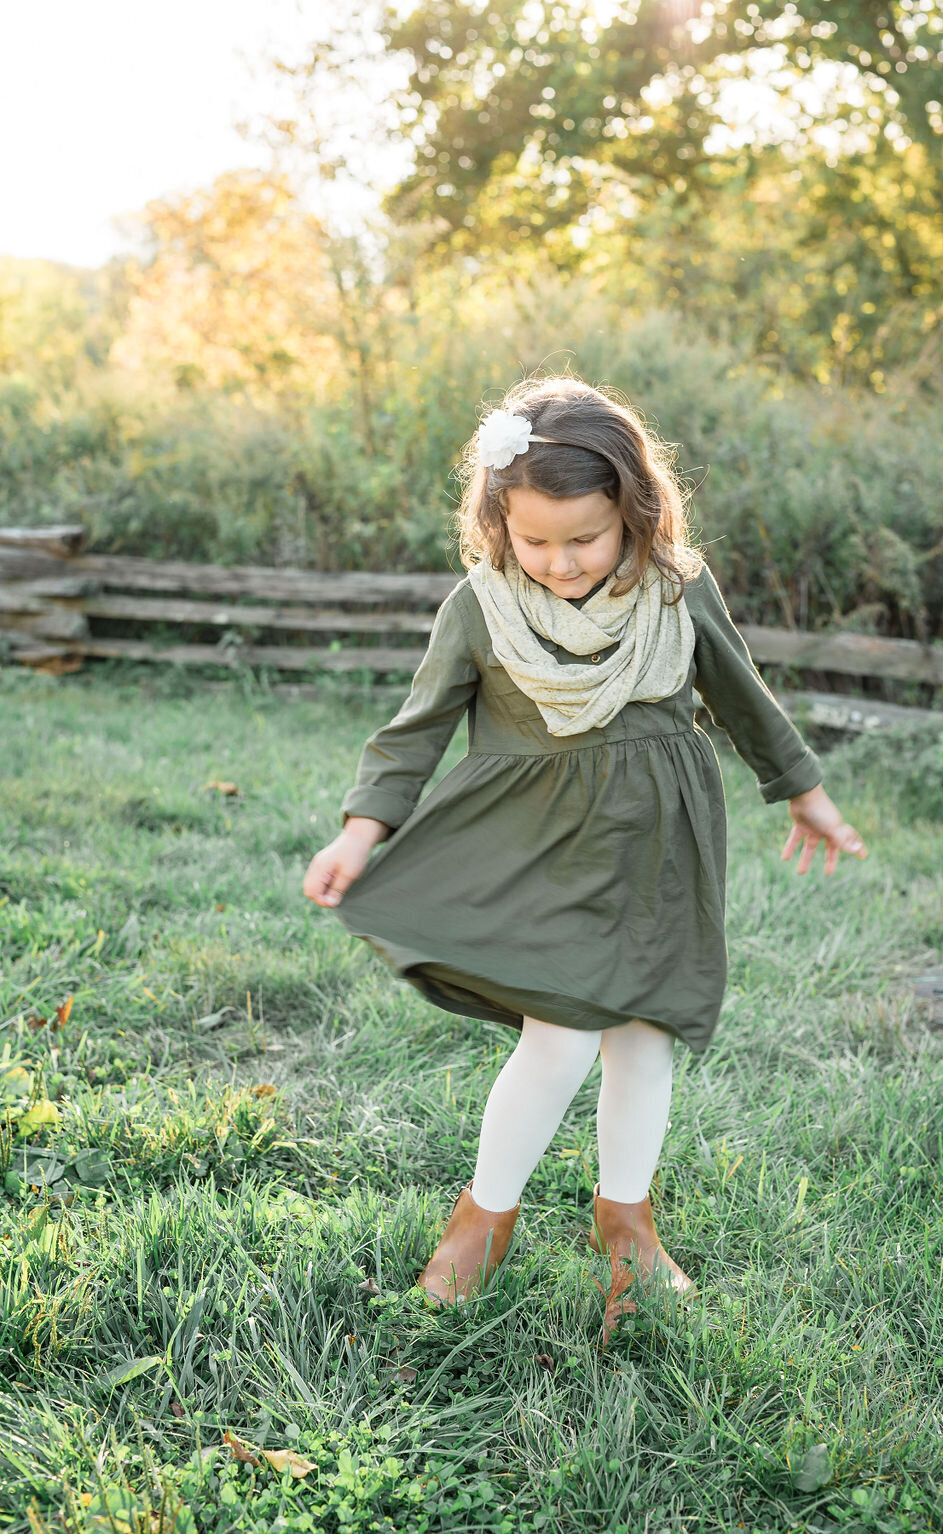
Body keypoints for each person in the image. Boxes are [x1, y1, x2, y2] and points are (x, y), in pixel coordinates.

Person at [303, 376, 867, 1311]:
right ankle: (481, 1221)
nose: (560, 562)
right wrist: (361, 834)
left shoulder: (675, 592)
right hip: (543, 852)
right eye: (535, 540)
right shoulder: (482, 610)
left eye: (585, 539)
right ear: (498, 523)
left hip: (662, 845)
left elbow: (742, 696)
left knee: (644, 1039)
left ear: (635, 515)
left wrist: (805, 794)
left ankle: (627, 1225)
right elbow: (415, 731)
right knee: (562, 1038)